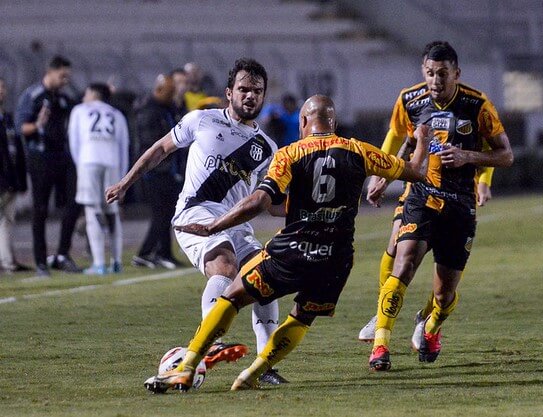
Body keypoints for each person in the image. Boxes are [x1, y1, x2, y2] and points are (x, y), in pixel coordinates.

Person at [141, 94, 431, 393]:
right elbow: (417, 171)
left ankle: (188, 366)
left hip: (293, 250)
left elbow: (261, 201)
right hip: (336, 259)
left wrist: (216, 225)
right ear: (333, 122)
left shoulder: (290, 154)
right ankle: (254, 372)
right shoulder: (359, 150)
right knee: (302, 318)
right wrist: (421, 139)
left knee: (233, 296)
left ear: (303, 122)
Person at [106, 58, 286, 385]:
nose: (250, 96)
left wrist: (311, 209)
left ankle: (265, 366)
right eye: (243, 89)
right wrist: (126, 182)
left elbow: (271, 205)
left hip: (236, 224)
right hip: (195, 213)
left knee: (266, 281)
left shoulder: (268, 148)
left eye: (257, 91)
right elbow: (160, 148)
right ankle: (212, 340)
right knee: (225, 266)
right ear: (229, 92)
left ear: (263, 96)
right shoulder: (202, 120)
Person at [367, 42, 513, 372]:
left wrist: (470, 159)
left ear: (456, 74)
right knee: (402, 263)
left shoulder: (477, 105)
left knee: (444, 294)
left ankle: (432, 327)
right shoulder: (410, 100)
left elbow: (506, 154)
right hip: (422, 196)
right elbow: (402, 141)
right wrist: (384, 176)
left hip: (460, 205)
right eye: (430, 73)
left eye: (443, 74)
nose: (436, 80)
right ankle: (380, 342)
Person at [16, 55, 82, 276]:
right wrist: (37, 125)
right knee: (40, 210)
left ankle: (62, 254)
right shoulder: (33, 96)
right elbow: (21, 128)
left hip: (62, 157)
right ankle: (41, 263)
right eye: (62, 76)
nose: (65, 80)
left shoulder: (62, 98)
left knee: (74, 202)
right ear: (50, 71)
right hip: (40, 158)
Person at [68, 83, 129, 274]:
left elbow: (74, 141)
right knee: (112, 211)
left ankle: (99, 264)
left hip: (88, 161)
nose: (84, 96)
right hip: (112, 163)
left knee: (92, 210)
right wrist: (123, 179)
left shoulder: (79, 110)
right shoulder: (117, 114)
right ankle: (117, 261)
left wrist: (80, 165)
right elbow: (123, 145)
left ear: (93, 93)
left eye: (86, 92)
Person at [130, 73, 184, 270]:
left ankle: (164, 253)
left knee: (167, 213)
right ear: (160, 90)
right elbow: (151, 143)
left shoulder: (167, 108)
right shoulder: (149, 110)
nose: (173, 95)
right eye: (170, 91)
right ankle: (146, 253)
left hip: (168, 170)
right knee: (161, 214)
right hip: (155, 171)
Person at [0, 77, 31, 273]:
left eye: (3, 86)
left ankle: (7, 260)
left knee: (7, 220)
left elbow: (15, 151)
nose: (2, 90)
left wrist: (20, 179)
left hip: (9, 180)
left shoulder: (8, 119)